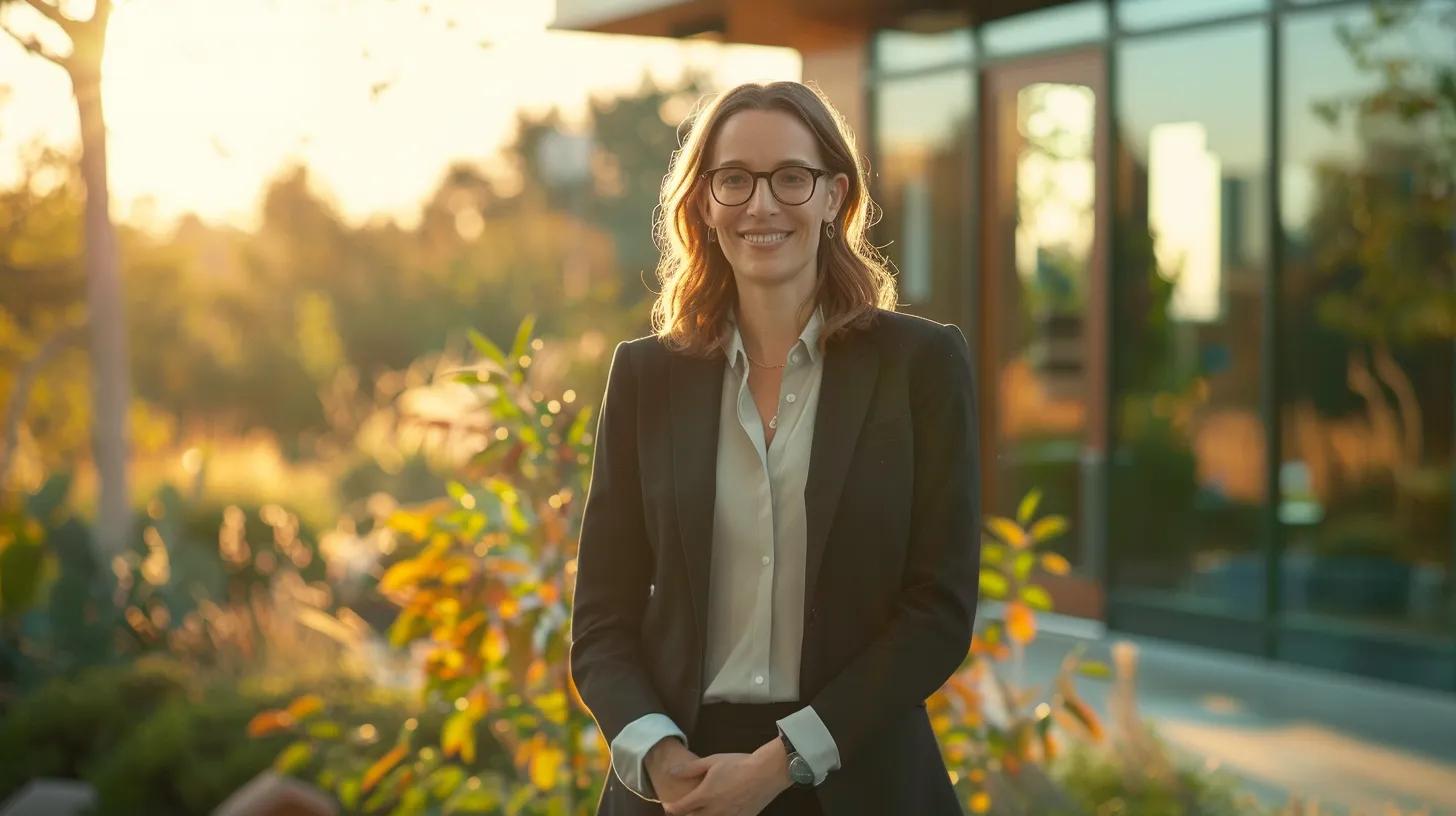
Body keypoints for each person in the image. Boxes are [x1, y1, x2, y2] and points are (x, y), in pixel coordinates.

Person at [569, 80, 981, 816]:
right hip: (680, 784)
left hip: (858, 775)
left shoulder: (921, 365)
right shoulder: (646, 376)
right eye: (734, 180)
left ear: (834, 198)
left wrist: (781, 764)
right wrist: (658, 758)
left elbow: (938, 611)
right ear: (703, 203)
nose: (762, 204)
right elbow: (602, 619)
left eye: (791, 177)